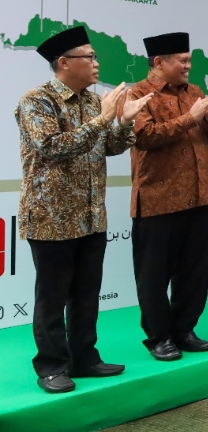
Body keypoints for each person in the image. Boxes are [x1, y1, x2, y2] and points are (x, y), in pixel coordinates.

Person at [16, 26, 152, 394]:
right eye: (88, 57)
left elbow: (108, 146)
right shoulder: (37, 101)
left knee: (87, 292)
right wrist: (103, 120)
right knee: (52, 295)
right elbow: (52, 147)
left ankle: (84, 357)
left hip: (91, 214)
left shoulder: (94, 102)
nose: (96, 63)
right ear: (64, 63)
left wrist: (122, 122)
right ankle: (51, 366)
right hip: (51, 218)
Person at [128, 32, 208, 362]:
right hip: (158, 199)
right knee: (154, 275)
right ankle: (159, 337)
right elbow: (145, 136)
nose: (188, 66)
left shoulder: (195, 92)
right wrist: (191, 118)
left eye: (189, 61)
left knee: (195, 271)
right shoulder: (139, 94)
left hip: (198, 198)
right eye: (181, 61)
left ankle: (184, 329)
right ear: (159, 63)